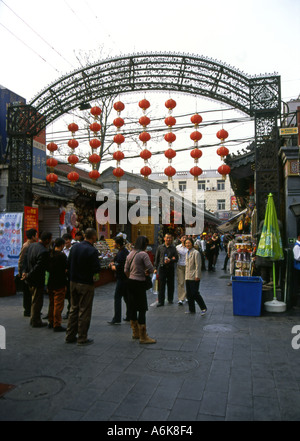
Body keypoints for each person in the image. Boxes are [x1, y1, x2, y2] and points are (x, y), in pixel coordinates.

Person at [65, 228, 101, 346]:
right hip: (86, 283)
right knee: (84, 311)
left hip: (73, 282)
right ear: (94, 237)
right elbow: (96, 269)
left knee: (73, 309)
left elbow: (68, 263)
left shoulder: (74, 247)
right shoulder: (92, 251)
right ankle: (82, 337)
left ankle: (70, 335)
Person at [124, 236, 156, 344]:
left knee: (132, 307)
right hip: (139, 283)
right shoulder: (143, 254)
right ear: (144, 244)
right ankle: (143, 336)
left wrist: (131, 276)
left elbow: (125, 270)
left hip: (130, 283)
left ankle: (135, 333)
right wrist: (144, 272)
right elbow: (151, 269)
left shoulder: (130, 254)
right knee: (142, 309)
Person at [22, 232, 52, 328]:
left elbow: (25, 260)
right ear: (47, 240)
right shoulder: (44, 251)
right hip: (36, 279)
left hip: (29, 278)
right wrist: (27, 275)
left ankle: (33, 319)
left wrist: (24, 272)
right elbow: (38, 267)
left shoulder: (32, 246)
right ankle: (36, 320)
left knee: (34, 300)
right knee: (37, 301)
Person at [108, 236, 130, 325]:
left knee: (117, 297)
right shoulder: (123, 252)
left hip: (122, 279)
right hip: (125, 279)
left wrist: (112, 266)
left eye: (114, 243)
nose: (113, 244)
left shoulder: (122, 253)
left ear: (117, 244)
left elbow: (119, 267)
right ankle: (129, 315)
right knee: (126, 298)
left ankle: (117, 317)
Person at [47, 238, 68, 332]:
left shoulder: (50, 255)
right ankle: (57, 324)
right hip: (60, 282)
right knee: (58, 305)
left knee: (51, 303)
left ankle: (51, 321)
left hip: (51, 282)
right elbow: (66, 269)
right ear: (62, 245)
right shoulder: (62, 256)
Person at [154, 233, 178, 306]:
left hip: (170, 268)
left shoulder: (173, 248)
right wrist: (155, 268)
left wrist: (170, 260)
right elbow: (157, 258)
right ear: (164, 238)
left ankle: (170, 299)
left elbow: (176, 258)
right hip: (162, 268)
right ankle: (161, 301)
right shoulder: (160, 247)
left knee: (171, 284)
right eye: (167, 238)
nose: (168, 239)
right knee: (161, 285)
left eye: (170, 238)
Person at [184, 237, 207, 315]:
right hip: (187, 276)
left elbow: (198, 265)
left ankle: (203, 308)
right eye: (186, 243)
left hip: (194, 276)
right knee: (189, 294)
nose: (187, 244)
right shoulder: (187, 252)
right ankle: (191, 309)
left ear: (192, 244)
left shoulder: (196, 253)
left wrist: (197, 276)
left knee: (195, 293)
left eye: (189, 243)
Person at [18, 228, 38, 317]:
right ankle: (27, 310)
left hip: (31, 273)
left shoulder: (33, 245)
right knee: (27, 293)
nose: (37, 236)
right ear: (33, 236)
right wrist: (21, 272)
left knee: (32, 292)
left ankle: (32, 309)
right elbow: (21, 260)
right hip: (25, 273)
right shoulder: (26, 246)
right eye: (36, 235)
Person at [176, 234, 188, 305]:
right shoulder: (177, 247)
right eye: (183, 238)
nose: (184, 239)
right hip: (180, 266)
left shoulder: (189, 247)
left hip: (188, 266)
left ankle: (187, 297)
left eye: (185, 238)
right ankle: (181, 298)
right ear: (180, 239)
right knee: (180, 282)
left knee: (187, 282)